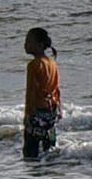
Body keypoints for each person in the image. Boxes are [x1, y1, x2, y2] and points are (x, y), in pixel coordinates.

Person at [20, 28, 61, 164]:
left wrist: (27, 114)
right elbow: (56, 88)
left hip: (37, 110)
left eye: (29, 41)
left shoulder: (34, 64)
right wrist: (59, 108)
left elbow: (31, 91)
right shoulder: (52, 63)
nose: (26, 44)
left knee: (30, 151)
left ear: (40, 45)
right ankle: (49, 176)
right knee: (49, 146)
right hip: (51, 110)